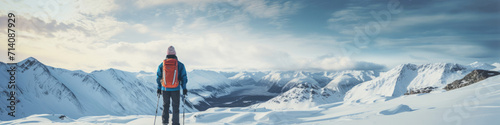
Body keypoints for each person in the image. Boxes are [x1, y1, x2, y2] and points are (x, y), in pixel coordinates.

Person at [156, 46, 188, 125]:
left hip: (165, 89)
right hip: (175, 89)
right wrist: (184, 88)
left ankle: (165, 122)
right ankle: (175, 123)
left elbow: (158, 77)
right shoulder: (180, 65)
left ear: (167, 54)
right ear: (175, 53)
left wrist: (159, 88)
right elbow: (184, 77)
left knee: (165, 106)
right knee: (175, 107)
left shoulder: (162, 65)